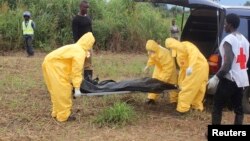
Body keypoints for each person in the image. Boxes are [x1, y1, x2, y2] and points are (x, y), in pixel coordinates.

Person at [42, 32, 95, 122]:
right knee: (63, 91)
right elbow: (76, 70)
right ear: (89, 44)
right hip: (55, 66)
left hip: (49, 63)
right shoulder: (80, 52)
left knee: (56, 91)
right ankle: (63, 116)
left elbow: (69, 67)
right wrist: (77, 88)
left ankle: (56, 113)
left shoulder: (75, 47)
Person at [207, 13, 249, 125]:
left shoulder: (229, 40)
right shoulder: (244, 40)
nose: (224, 25)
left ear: (230, 25)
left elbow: (227, 64)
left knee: (217, 107)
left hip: (229, 79)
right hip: (241, 80)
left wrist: (216, 78)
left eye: (225, 23)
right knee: (239, 110)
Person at [165, 38, 209, 114]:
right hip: (200, 67)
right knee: (199, 89)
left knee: (188, 87)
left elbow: (193, 54)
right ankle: (196, 106)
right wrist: (180, 82)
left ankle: (182, 109)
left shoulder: (187, 45)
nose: (171, 49)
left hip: (197, 67)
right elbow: (182, 68)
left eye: (171, 47)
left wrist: (191, 66)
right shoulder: (177, 53)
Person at [144, 40, 178, 105]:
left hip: (170, 68)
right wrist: (148, 65)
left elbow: (167, 69)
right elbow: (152, 58)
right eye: (148, 50)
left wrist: (162, 80)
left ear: (154, 49)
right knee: (154, 82)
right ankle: (151, 99)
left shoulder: (163, 54)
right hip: (159, 68)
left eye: (150, 51)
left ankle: (174, 101)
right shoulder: (153, 51)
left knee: (172, 83)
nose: (149, 52)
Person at [72, 0, 93, 80]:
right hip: (80, 46)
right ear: (80, 7)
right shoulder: (76, 20)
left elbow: (91, 30)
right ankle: (77, 80)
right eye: (85, 7)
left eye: (88, 8)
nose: (87, 9)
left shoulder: (88, 18)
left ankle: (88, 81)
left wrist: (93, 42)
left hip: (88, 46)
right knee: (78, 63)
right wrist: (77, 46)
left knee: (88, 63)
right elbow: (75, 34)